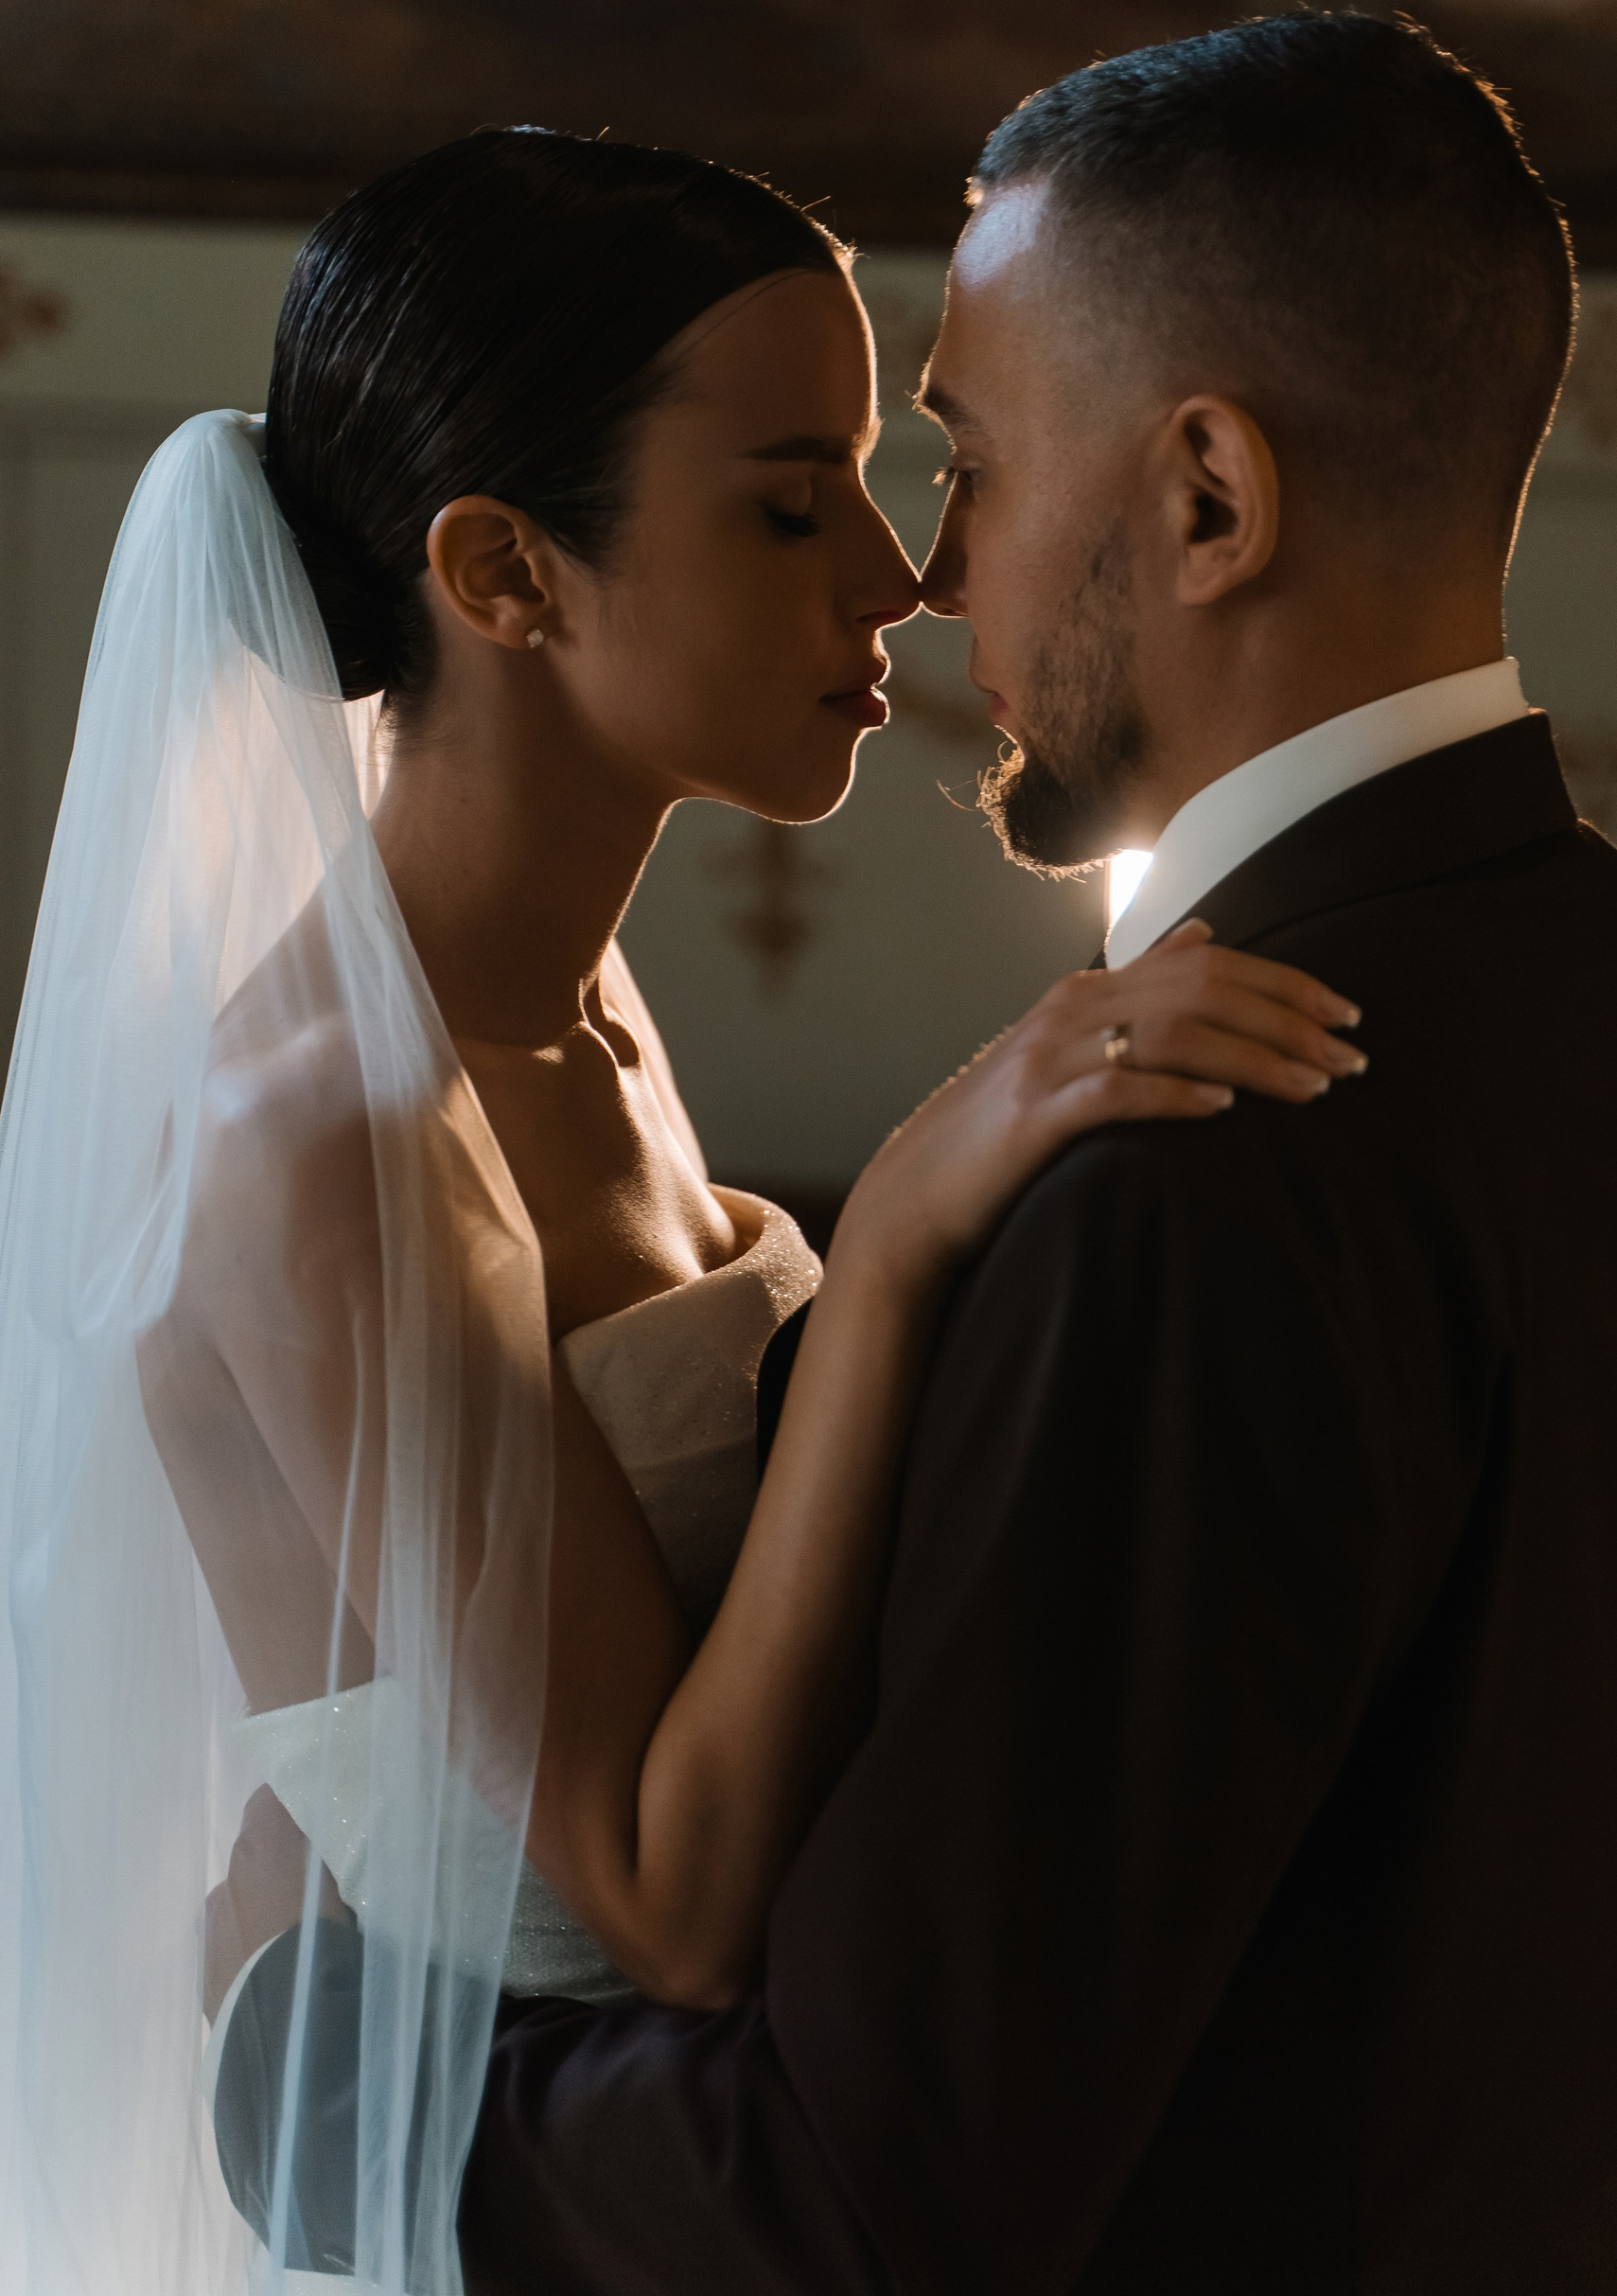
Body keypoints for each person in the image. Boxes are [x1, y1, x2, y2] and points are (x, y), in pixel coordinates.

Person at [455, 16, 1617, 2292]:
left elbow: (867, 2195)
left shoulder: (1200, 1149)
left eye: (970, 463)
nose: (928, 574)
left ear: (1207, 500)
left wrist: (329, 2072)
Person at [0, 130, 1353, 2296]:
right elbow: (666, 1901)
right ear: (504, 572)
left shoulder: (582, 1018)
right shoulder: (322, 1130)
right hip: (534, 2216)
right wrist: (896, 1237)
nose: (900, 580)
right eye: (793, 505)